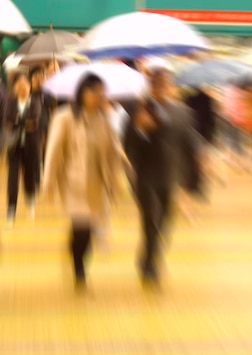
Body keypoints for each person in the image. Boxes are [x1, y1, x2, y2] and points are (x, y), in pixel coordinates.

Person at [43, 74, 128, 291]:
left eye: (102, 92)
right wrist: (49, 183)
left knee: (89, 229)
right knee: (80, 226)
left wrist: (117, 180)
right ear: (84, 92)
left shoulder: (104, 119)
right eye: (96, 92)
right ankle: (78, 267)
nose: (100, 96)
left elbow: (110, 150)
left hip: (96, 183)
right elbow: (53, 151)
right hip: (73, 183)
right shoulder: (64, 117)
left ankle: (78, 258)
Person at [124, 61, 203, 287]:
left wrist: (201, 154)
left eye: (166, 85)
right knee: (150, 222)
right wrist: (140, 129)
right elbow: (128, 146)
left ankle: (148, 256)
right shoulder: (139, 111)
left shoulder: (182, 111)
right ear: (151, 87)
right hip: (146, 178)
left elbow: (190, 139)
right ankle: (150, 267)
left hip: (171, 177)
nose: (163, 90)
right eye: (158, 85)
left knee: (165, 223)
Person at [3, 71, 42, 225]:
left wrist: (17, 122)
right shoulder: (11, 102)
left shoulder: (35, 101)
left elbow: (35, 122)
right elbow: (7, 121)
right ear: (15, 87)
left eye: (25, 84)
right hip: (14, 146)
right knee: (12, 177)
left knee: (29, 176)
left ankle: (30, 204)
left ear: (30, 86)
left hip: (31, 146)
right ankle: (11, 209)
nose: (22, 87)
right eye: (19, 84)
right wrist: (23, 123)